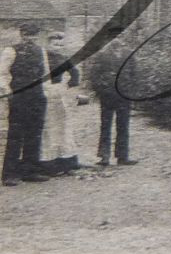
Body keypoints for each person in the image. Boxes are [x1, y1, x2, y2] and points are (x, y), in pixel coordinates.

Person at [0, 22, 48, 185]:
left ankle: (30, 170)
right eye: (27, 35)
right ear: (22, 35)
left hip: (37, 96)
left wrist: (45, 93)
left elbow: (46, 74)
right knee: (16, 135)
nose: (30, 39)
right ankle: (9, 174)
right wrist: (7, 91)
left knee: (34, 133)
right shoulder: (10, 50)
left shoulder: (41, 51)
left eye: (34, 35)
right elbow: (2, 73)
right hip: (19, 96)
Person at [89, 31, 141, 167]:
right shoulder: (102, 55)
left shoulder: (129, 53)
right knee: (105, 126)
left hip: (124, 96)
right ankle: (104, 157)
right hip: (107, 96)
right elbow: (94, 76)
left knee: (123, 126)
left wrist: (130, 92)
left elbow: (135, 75)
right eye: (114, 37)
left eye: (120, 36)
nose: (117, 39)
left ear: (124, 38)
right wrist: (103, 90)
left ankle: (122, 157)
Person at [40, 32, 83, 175]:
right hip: (44, 94)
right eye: (54, 44)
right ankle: (48, 164)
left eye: (60, 45)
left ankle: (66, 162)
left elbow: (75, 75)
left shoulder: (64, 59)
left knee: (62, 127)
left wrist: (67, 88)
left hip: (58, 94)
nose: (57, 47)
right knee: (48, 128)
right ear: (48, 44)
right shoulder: (41, 57)